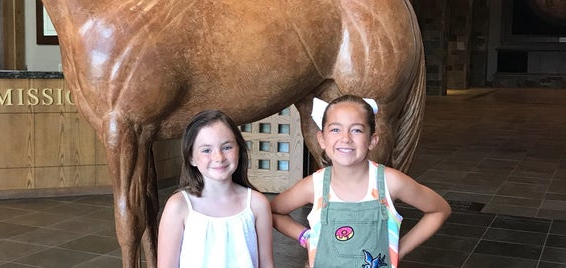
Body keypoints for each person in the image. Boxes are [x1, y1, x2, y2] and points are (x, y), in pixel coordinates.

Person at [271, 95, 451, 268]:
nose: (345, 138)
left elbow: (439, 209)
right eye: (335, 129)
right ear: (322, 139)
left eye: (356, 130)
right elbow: (273, 212)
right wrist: (305, 237)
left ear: (372, 140)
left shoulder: (390, 182)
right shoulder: (313, 185)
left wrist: (398, 250)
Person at [157, 109, 275, 268]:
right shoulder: (178, 206)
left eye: (227, 147)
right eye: (206, 150)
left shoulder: (257, 204)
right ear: (191, 157)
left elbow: (266, 264)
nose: (219, 157)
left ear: (239, 150)